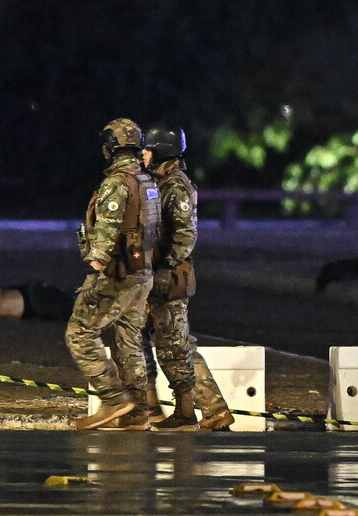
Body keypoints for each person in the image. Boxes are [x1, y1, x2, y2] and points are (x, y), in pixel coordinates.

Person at [64, 118, 161, 431]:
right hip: (142, 271)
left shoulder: (117, 183)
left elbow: (107, 230)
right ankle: (137, 411)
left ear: (110, 147)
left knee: (79, 332)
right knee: (128, 340)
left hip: (117, 272)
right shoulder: (147, 180)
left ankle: (113, 399)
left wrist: (94, 269)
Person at [142, 123, 235, 432]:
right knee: (149, 340)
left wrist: (166, 268)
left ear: (162, 152)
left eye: (148, 150)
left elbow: (185, 236)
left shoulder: (176, 186)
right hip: (152, 274)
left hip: (167, 277)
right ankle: (154, 409)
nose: (142, 154)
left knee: (177, 346)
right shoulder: (157, 182)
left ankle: (213, 411)